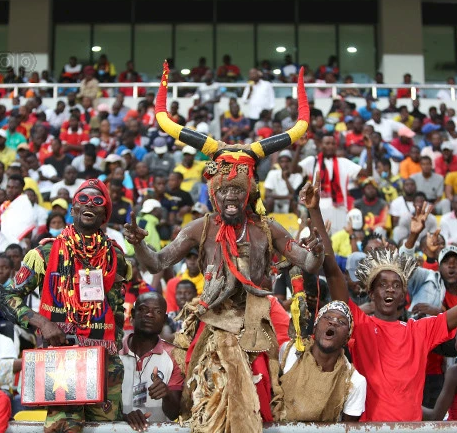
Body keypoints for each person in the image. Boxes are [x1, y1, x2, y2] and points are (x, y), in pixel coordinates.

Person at [125, 63, 323, 432]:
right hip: (210, 321)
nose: (231, 196)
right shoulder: (201, 227)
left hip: (261, 324)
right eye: (225, 190)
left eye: (238, 189)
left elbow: (308, 263)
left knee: (273, 399)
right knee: (193, 401)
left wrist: (319, 246)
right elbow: (156, 262)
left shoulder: (267, 227)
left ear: (249, 191)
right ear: (214, 191)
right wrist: (138, 244)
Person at [303, 175, 457, 421]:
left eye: (396, 285)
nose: (389, 290)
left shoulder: (420, 330)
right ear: (371, 293)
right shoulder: (359, 323)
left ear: (405, 294)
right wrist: (315, 209)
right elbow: (333, 273)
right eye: (382, 285)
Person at [0, 178, 130, 430]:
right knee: (65, 429)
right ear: (73, 210)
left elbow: (118, 310)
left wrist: (114, 350)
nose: (89, 203)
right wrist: (42, 323)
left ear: (105, 213)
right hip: (62, 358)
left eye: (97, 200)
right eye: (83, 199)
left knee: (108, 429)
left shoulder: (116, 256)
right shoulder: (44, 253)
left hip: (105, 361)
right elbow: (7, 297)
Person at [279, 301, 366, 422]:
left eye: (341, 322)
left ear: (347, 338)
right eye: (327, 317)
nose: (333, 322)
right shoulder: (289, 352)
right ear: (315, 327)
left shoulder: (354, 382)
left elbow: (348, 428)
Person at [120, 293, 183, 431]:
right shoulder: (114, 352)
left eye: (158, 311)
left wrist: (166, 394)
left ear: (164, 319)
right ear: (133, 314)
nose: (149, 314)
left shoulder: (175, 356)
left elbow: (174, 414)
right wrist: (122, 417)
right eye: (143, 309)